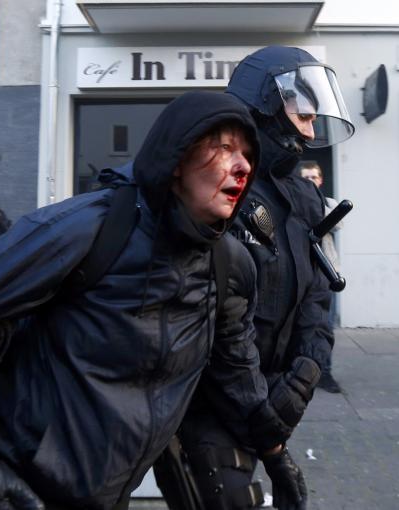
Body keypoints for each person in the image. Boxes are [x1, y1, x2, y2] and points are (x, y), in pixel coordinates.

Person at [0, 91, 300, 510]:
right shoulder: (84, 230)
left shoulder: (229, 263)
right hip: (28, 488)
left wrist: (275, 450)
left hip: (112, 492)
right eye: (224, 148)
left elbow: (237, 368)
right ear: (177, 159)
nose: (243, 165)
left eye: (248, 154)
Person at [157, 46, 356, 510]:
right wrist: (260, 412)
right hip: (206, 403)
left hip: (268, 400)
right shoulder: (217, 188)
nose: (310, 131)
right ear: (266, 105)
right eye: (303, 116)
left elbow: (318, 293)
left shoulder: (305, 198)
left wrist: (305, 375)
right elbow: (216, 319)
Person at [299, 160, 343, 392]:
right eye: (305, 178)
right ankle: (299, 374)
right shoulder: (292, 201)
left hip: (325, 274)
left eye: (314, 177)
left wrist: (311, 204)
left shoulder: (329, 203)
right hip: (301, 273)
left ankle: (325, 373)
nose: (310, 181)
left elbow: (338, 223)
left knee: (325, 326)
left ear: (321, 179)